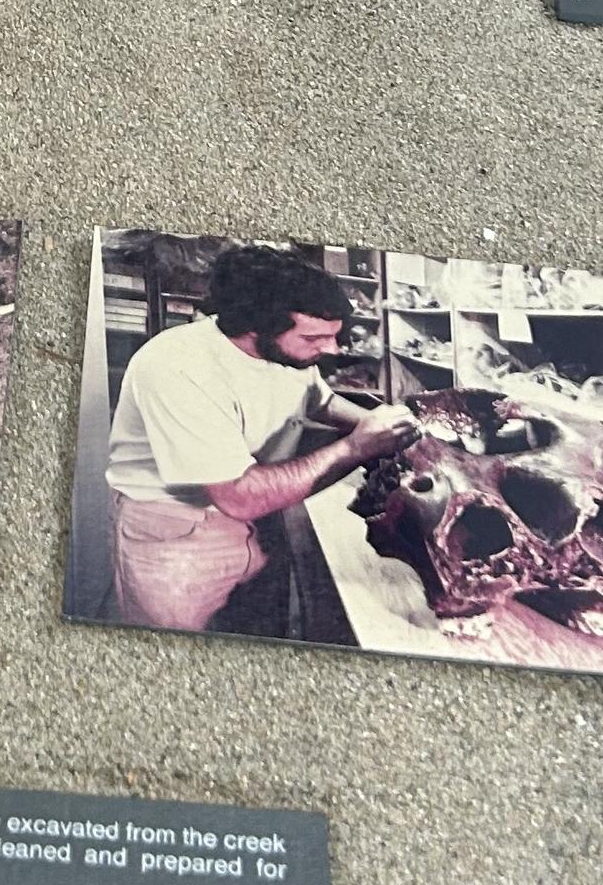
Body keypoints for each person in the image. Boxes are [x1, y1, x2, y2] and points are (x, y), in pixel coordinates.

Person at [104, 245, 416, 633]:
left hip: (262, 515)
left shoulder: (288, 354)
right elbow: (239, 495)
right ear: (256, 328)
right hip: (177, 535)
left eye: (333, 336)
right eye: (315, 338)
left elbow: (321, 400)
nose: (331, 349)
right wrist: (357, 447)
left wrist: (381, 425)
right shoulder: (178, 367)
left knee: (259, 634)